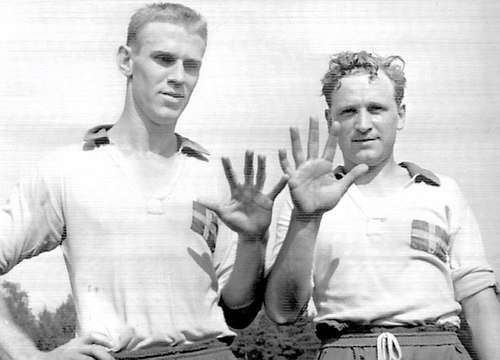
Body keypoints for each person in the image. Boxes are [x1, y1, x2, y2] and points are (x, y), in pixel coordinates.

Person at [0, 3, 287, 359]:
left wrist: (253, 240)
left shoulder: (215, 175)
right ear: (126, 61)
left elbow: (239, 313)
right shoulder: (67, 169)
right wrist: (27, 354)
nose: (179, 77)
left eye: (191, 65)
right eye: (164, 59)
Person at [264, 51, 500, 360]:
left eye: (376, 108)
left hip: (438, 347)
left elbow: (480, 306)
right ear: (329, 119)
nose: (363, 124)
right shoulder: (305, 201)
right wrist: (307, 217)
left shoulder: (443, 192)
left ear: (400, 114)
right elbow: (283, 311)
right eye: (348, 111)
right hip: (344, 347)